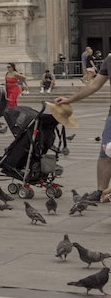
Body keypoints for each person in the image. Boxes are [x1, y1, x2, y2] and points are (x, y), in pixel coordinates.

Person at [49, 60, 111, 204]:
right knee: (105, 153)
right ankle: (101, 191)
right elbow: (94, 84)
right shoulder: (109, 60)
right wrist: (69, 100)